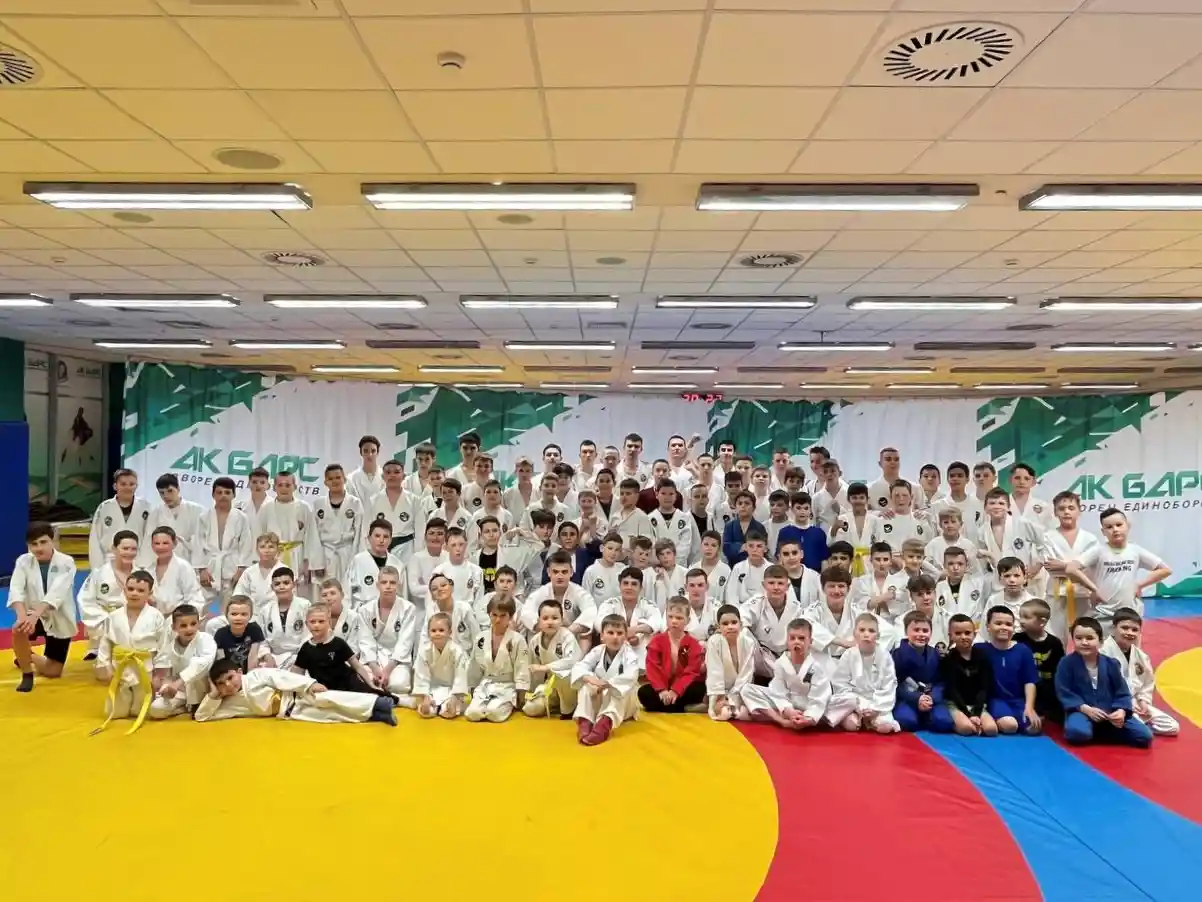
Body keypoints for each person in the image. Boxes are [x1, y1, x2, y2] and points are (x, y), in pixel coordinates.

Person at [196, 658, 396, 726]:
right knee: (334, 716)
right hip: (291, 712)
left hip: (298, 695)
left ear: (240, 672)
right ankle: (377, 715)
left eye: (230, 678)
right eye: (221, 684)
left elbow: (282, 677)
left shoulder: (256, 676)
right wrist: (213, 694)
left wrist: (309, 684)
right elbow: (202, 716)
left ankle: (378, 703)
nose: (228, 685)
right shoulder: (229, 702)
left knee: (332, 699)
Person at [1056, 616, 1153, 749]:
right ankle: (1095, 729)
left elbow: (1122, 691)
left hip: (1109, 710)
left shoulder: (1111, 663)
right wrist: (1085, 709)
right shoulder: (1066, 663)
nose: (1084, 642)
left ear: (1100, 641)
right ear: (1073, 640)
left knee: (1144, 736)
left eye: (1090, 638)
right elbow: (1063, 691)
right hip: (1082, 711)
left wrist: (1121, 711)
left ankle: (1096, 730)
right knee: (1077, 732)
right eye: (1079, 638)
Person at [1074, 508, 1171, 633]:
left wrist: (1139, 584)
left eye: (1119, 525)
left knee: (1130, 644)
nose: (1115, 529)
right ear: (1103, 532)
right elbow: (1072, 568)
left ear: (1127, 526)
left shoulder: (1135, 550)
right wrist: (1093, 589)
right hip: (1104, 612)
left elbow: (1165, 570)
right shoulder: (1098, 551)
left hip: (1130, 613)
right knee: (1104, 644)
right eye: (1109, 527)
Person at [9, 522, 78, 692]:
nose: (39, 548)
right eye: (34, 544)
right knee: (18, 629)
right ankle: (27, 674)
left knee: (53, 671)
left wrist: (34, 616)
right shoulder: (23, 561)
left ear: (52, 541)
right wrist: (22, 617)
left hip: (57, 615)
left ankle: (28, 656)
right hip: (31, 612)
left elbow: (56, 593)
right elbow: (16, 589)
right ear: (28, 545)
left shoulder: (66, 562)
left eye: (43, 542)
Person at [94, 570, 167, 727]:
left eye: (141, 590)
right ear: (124, 590)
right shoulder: (114, 616)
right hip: (120, 666)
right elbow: (105, 643)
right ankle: (123, 704)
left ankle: (141, 703)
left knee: (142, 710)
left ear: (150, 593)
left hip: (145, 668)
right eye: (131, 589)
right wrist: (105, 665)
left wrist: (159, 675)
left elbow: (163, 648)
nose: (134, 593)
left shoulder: (156, 616)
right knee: (115, 712)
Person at [742, 618, 831, 730]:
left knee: (845, 700)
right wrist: (788, 710)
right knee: (747, 689)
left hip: (808, 703)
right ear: (787, 641)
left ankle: (808, 720)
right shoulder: (781, 663)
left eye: (801, 638)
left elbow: (820, 697)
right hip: (789, 701)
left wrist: (809, 717)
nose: (796, 642)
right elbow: (778, 691)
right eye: (792, 638)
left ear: (811, 641)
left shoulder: (817, 666)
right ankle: (781, 721)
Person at [1102, 607, 1179, 737]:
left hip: (1136, 702)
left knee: (1173, 726)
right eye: (1124, 628)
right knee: (1138, 726)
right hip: (1115, 704)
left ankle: (1138, 723)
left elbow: (1147, 682)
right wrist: (1128, 702)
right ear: (1114, 628)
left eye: (1134, 630)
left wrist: (1143, 701)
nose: (1129, 633)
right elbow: (1103, 686)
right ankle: (1135, 724)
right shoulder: (1103, 652)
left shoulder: (1141, 656)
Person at [570, 613, 640, 746]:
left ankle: (604, 725)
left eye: (620, 633)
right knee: (585, 686)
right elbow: (579, 667)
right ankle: (585, 722)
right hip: (601, 698)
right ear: (602, 636)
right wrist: (591, 679)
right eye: (610, 633)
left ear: (625, 636)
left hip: (625, 705)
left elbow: (630, 676)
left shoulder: (630, 655)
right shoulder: (597, 651)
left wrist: (607, 684)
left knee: (619, 691)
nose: (615, 637)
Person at [1039, 490, 1100, 642]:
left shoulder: (1090, 539)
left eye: (1071, 508)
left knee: (1085, 634)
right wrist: (1076, 567)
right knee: (1055, 636)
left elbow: (1091, 564)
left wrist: (1063, 565)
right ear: (1055, 512)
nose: (1066, 512)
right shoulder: (1047, 537)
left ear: (1079, 511)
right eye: (1061, 508)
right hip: (1056, 592)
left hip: (1083, 593)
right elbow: (1050, 566)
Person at [825, 612, 899, 733]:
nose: (866, 634)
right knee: (851, 725)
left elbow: (889, 685)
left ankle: (871, 720)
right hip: (854, 700)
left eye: (871, 631)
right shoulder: (848, 655)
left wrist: (875, 708)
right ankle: (858, 717)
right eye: (862, 630)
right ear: (855, 634)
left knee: (885, 727)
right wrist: (859, 706)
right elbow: (840, 684)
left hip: (877, 701)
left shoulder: (884, 656)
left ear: (878, 635)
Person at [465, 595, 531, 723]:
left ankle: (506, 704)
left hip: (507, 685)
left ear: (510, 617)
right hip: (486, 684)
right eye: (494, 615)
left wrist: (521, 695)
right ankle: (485, 703)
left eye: (502, 616)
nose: (497, 620)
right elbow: (474, 665)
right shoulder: (481, 638)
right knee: (472, 714)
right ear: (489, 614)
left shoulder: (517, 639)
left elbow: (521, 667)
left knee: (494, 714)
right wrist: (472, 687)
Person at [78, 529, 141, 660]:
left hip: (135, 620)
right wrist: (107, 620)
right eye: (125, 548)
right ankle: (98, 647)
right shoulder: (99, 573)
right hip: (105, 621)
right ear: (114, 549)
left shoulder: (142, 573)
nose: (129, 553)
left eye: (133, 549)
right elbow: (86, 600)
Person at [254, 471, 324, 588]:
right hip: (273, 556)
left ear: (295, 487)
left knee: (298, 591)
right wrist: (260, 560)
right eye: (280, 485)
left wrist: (310, 563)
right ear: (274, 487)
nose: (284, 488)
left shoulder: (303, 507)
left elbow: (311, 536)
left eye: (287, 485)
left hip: (298, 557)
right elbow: (258, 536)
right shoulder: (266, 508)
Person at [292, 603, 380, 694]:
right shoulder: (305, 649)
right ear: (306, 624)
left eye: (321, 621)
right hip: (324, 692)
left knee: (378, 700)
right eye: (312, 622)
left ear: (329, 622)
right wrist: (309, 685)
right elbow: (296, 675)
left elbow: (357, 666)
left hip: (350, 687)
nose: (316, 625)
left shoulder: (338, 643)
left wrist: (371, 685)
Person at [356, 565, 418, 696]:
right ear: (377, 585)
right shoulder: (365, 610)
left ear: (398, 585)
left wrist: (388, 670)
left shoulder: (408, 608)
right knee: (361, 679)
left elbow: (405, 642)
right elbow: (365, 641)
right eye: (384, 582)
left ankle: (379, 689)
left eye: (392, 582)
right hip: (373, 659)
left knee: (398, 684)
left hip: (397, 660)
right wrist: (375, 667)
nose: (388, 586)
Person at [196, 477, 252, 616]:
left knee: (230, 605)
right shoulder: (204, 517)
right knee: (209, 607)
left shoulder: (241, 517)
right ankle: (209, 626)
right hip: (210, 567)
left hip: (232, 567)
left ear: (234, 495)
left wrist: (241, 569)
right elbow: (198, 543)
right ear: (213, 495)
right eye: (219, 492)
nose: (223, 496)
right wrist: (202, 569)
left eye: (227, 492)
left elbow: (246, 544)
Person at [149, 604, 216, 719]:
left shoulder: (206, 639)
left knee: (195, 665)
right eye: (183, 625)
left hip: (202, 690)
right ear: (174, 628)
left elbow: (202, 664)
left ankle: (195, 706)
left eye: (193, 624)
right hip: (180, 691)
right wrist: (166, 686)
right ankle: (183, 708)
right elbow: (166, 672)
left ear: (199, 624)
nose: (189, 629)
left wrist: (177, 683)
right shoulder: (170, 645)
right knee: (156, 709)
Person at [638, 599, 706, 713]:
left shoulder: (693, 644)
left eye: (679, 618)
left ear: (688, 620)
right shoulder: (657, 641)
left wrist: (676, 691)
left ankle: (670, 706)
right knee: (643, 693)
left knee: (700, 689)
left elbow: (691, 671)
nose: (674, 621)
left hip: (684, 687)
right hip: (663, 686)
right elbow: (652, 667)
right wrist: (661, 690)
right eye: (670, 617)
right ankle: (684, 708)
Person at [982, 605, 1041, 735]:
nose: (1004, 627)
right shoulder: (981, 649)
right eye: (998, 623)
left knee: (1034, 728)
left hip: (1017, 700)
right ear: (988, 626)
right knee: (1010, 725)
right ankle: (993, 719)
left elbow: (1030, 681)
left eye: (1008, 624)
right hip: (995, 700)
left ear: (1013, 627)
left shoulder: (1023, 650)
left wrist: (1029, 707)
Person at [891, 610, 953, 733]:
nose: (921, 634)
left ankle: (927, 716)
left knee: (944, 722)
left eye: (925, 631)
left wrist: (932, 697)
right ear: (906, 632)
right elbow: (894, 684)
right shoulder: (897, 655)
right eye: (916, 630)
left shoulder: (935, 654)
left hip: (930, 698)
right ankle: (920, 717)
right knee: (907, 721)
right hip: (907, 698)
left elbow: (940, 681)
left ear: (931, 633)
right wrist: (917, 698)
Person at [742, 564, 806, 678]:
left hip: (788, 654)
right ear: (764, 585)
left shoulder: (796, 608)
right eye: (771, 583)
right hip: (761, 655)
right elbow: (739, 620)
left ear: (787, 586)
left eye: (780, 583)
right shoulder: (756, 603)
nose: (776, 587)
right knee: (742, 633)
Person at [939, 613, 997, 736]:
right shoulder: (948, 659)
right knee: (966, 729)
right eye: (958, 633)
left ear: (974, 634)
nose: (963, 637)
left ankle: (973, 723)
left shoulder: (982, 657)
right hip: (956, 704)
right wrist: (968, 714)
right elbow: (952, 690)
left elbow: (984, 688)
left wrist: (977, 713)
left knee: (991, 729)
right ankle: (957, 724)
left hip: (977, 704)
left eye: (967, 633)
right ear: (950, 636)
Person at [524, 599, 583, 719]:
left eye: (555, 618)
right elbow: (533, 669)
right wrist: (531, 691)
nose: (550, 622)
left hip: (570, 685)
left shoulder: (567, 637)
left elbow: (572, 662)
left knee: (563, 676)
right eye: (545, 618)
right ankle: (555, 703)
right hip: (550, 684)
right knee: (531, 708)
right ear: (539, 621)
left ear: (562, 620)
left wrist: (546, 667)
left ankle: (569, 709)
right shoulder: (535, 641)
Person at [520, 551, 595, 643]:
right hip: (546, 636)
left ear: (571, 572)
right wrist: (545, 626)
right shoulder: (541, 592)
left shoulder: (580, 593)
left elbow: (590, 610)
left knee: (586, 635)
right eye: (555, 572)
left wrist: (569, 630)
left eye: (564, 572)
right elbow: (526, 612)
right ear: (548, 572)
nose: (560, 576)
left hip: (571, 638)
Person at [405, 612, 470, 718]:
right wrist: (425, 696)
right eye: (433, 631)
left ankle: (448, 705)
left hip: (452, 691)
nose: (437, 633)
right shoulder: (424, 651)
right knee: (426, 712)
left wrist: (454, 698)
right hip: (431, 690)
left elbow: (460, 678)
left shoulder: (457, 651)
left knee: (449, 711)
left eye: (441, 630)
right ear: (428, 633)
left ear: (450, 632)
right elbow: (422, 677)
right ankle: (429, 705)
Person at [88, 468, 150, 572]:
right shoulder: (104, 508)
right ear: (115, 486)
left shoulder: (145, 507)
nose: (128, 488)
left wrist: (144, 564)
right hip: (109, 561)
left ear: (136, 486)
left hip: (137, 561)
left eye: (131, 484)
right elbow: (95, 539)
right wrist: (96, 568)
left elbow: (149, 537)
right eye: (123, 484)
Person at [313, 463, 365, 586]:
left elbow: (360, 533)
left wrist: (357, 559)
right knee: (326, 590)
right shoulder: (318, 504)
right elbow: (313, 535)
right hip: (326, 554)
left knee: (348, 588)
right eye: (330, 479)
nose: (335, 481)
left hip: (347, 552)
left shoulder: (355, 503)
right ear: (325, 482)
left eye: (338, 477)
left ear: (345, 479)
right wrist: (317, 563)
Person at [1015, 598, 1065, 725]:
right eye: (1020, 616)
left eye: (1026, 617)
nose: (1021, 621)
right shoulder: (1017, 639)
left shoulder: (1055, 643)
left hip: (1047, 690)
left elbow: (1059, 672)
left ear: (1042, 622)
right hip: (1023, 689)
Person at [704, 604, 756, 722]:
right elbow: (714, 672)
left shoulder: (749, 643)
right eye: (725, 624)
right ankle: (724, 706)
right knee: (722, 712)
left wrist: (732, 698)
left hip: (742, 690)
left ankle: (734, 707)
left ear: (741, 624)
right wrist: (720, 697)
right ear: (719, 627)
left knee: (744, 712)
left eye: (734, 622)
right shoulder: (714, 642)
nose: (730, 627)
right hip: (720, 691)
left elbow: (747, 674)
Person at [366, 459, 424, 564]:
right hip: (380, 548)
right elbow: (367, 531)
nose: (392, 475)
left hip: (407, 549)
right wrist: (370, 553)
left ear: (404, 476)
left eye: (396, 472)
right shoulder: (373, 501)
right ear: (383, 476)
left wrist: (418, 556)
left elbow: (420, 532)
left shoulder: (415, 500)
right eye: (388, 472)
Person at [254, 567, 311, 669]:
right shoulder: (265, 610)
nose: (281, 587)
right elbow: (262, 639)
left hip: (300, 656)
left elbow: (309, 635)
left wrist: (300, 659)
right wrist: (267, 656)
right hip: (274, 658)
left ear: (293, 584)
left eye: (286, 583)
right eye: (277, 584)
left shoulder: (305, 605)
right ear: (272, 587)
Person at [805, 565, 858, 673]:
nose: (836, 591)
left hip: (850, 662)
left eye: (841, 586)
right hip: (820, 664)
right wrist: (842, 642)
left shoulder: (856, 611)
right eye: (831, 586)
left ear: (848, 589)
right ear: (823, 589)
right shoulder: (813, 611)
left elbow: (884, 630)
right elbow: (805, 627)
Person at [144, 473, 205, 567]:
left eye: (170, 491)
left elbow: (202, 540)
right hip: (163, 561)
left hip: (190, 561)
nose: (166, 496)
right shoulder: (156, 513)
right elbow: (148, 540)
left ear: (178, 489)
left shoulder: (197, 510)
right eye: (162, 493)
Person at [145, 526, 205, 616]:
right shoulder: (149, 569)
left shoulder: (183, 567)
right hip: (155, 616)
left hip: (179, 616)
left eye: (165, 543)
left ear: (174, 543)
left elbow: (194, 597)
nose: (161, 547)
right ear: (152, 545)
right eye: (157, 543)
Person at [348, 520, 405, 609]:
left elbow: (403, 596)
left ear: (390, 540)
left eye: (385, 537)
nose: (381, 540)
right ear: (369, 538)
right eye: (377, 536)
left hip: (389, 610)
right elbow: (347, 592)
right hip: (362, 611)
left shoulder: (397, 564)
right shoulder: (358, 561)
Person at [419, 573, 479, 657]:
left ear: (451, 588)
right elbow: (425, 640)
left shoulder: (464, 608)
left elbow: (476, 636)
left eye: (443, 585)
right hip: (440, 657)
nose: (440, 589)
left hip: (466, 657)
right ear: (432, 595)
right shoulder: (431, 612)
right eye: (434, 589)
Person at [432, 527, 484, 612]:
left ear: (466, 545)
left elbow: (479, 602)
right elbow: (433, 602)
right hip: (446, 614)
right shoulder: (439, 572)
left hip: (470, 614)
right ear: (446, 547)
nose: (458, 549)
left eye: (461, 544)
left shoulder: (476, 571)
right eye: (453, 545)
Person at [231, 532, 285, 610]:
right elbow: (238, 595)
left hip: (277, 613)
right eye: (262, 547)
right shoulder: (249, 572)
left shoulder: (284, 571)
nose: (266, 551)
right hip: (252, 613)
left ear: (277, 549)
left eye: (271, 547)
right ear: (257, 550)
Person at [212, 595, 264, 673]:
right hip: (230, 672)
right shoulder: (220, 634)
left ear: (250, 616)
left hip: (250, 671)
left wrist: (249, 677)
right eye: (234, 614)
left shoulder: (255, 629)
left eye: (243, 614)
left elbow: (253, 657)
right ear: (227, 615)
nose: (238, 618)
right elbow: (222, 662)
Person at [406, 518, 448, 612]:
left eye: (440, 534)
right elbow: (414, 589)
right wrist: (441, 588)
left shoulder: (449, 558)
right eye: (431, 533)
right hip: (421, 610)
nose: (435, 537)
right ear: (425, 536)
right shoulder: (416, 558)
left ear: (445, 538)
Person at [722, 491, 763, 566]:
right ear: (735, 507)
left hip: (754, 566)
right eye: (740, 503)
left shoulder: (760, 527)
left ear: (754, 507)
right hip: (733, 566)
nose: (743, 506)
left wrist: (737, 545)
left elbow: (762, 549)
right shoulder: (729, 526)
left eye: (747, 503)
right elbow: (726, 548)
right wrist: (741, 547)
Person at [778, 538, 821, 607]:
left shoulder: (815, 577)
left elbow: (822, 603)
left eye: (794, 553)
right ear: (780, 557)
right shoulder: (775, 578)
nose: (791, 557)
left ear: (801, 554)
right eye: (786, 554)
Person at [682, 567, 719, 642]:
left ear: (707, 586)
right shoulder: (678, 604)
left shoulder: (715, 605)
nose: (696, 589)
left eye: (700, 585)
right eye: (692, 585)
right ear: (686, 587)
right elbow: (667, 629)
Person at [347, 434, 385, 505]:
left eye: (373, 451)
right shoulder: (351, 479)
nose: (370, 454)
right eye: (365, 451)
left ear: (377, 453)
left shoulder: (386, 477)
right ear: (361, 453)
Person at [866, 447, 901, 513]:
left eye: (896, 459)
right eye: (888, 459)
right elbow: (863, 512)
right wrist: (878, 513)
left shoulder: (913, 488)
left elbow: (921, 509)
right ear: (880, 464)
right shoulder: (869, 489)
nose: (893, 462)